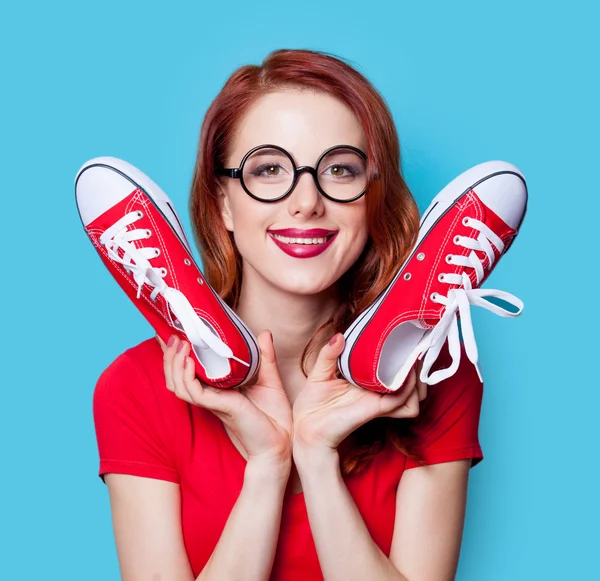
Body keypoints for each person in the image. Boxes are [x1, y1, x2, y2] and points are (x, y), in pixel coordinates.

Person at [93, 48, 483, 581]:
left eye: (340, 170)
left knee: (401, 364)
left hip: (399, 368)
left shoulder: (438, 377)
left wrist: (316, 457)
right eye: (269, 169)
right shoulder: (138, 388)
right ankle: (216, 348)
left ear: (374, 198)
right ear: (223, 203)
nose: (306, 202)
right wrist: (269, 465)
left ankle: (382, 350)